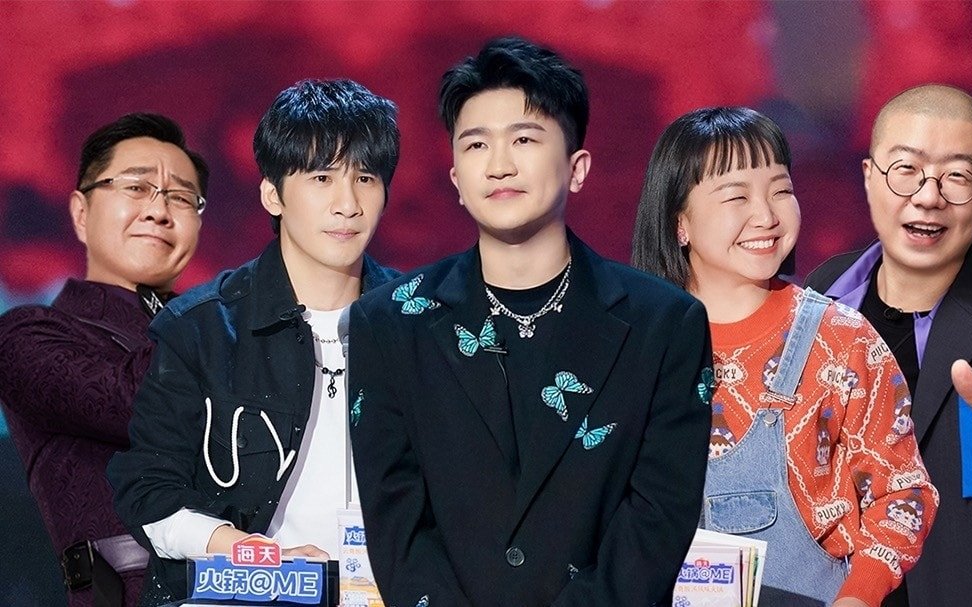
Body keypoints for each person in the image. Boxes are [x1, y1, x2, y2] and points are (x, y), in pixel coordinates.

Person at [348, 37, 711, 606]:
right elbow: (397, 521)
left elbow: (659, 517)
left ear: (577, 168)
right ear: (455, 179)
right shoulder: (390, 323)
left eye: (524, 139)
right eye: (476, 144)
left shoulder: (663, 323)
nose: (499, 165)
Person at [107, 79, 400, 604]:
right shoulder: (201, 330)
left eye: (365, 178)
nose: (348, 204)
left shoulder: (422, 322)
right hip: (250, 591)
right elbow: (149, 493)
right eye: (322, 177)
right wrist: (255, 554)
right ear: (272, 194)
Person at [631, 107, 939, 607]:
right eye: (737, 196)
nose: (767, 216)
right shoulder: (634, 345)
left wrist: (858, 597)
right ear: (679, 222)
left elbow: (903, 492)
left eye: (780, 190)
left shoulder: (841, 340)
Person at [805, 84, 972, 607]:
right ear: (869, 177)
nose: (928, 196)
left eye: (956, 176)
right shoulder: (811, 304)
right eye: (906, 169)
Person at [0, 113, 207, 606]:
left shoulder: (226, 328)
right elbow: (136, 402)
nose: (159, 211)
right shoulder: (28, 334)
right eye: (136, 188)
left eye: (181, 198)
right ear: (80, 212)